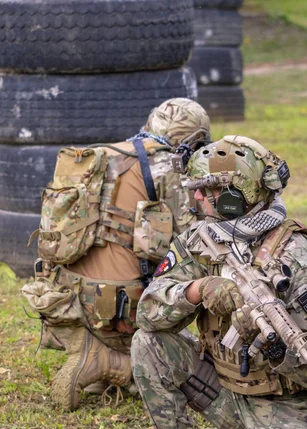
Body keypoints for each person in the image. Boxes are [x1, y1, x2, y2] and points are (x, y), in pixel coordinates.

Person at [117, 135, 307, 429]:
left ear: (238, 194)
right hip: (228, 391)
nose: (198, 201)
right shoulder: (204, 238)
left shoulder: (303, 258)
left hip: (289, 404)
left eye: (208, 191)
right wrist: (197, 290)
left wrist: (272, 347)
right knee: (150, 343)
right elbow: (149, 312)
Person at [22, 98, 211, 411]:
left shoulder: (100, 154)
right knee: (187, 355)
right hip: (122, 307)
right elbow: (192, 239)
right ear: (193, 140)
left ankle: (93, 350)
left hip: (62, 296)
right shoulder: (167, 166)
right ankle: (116, 364)